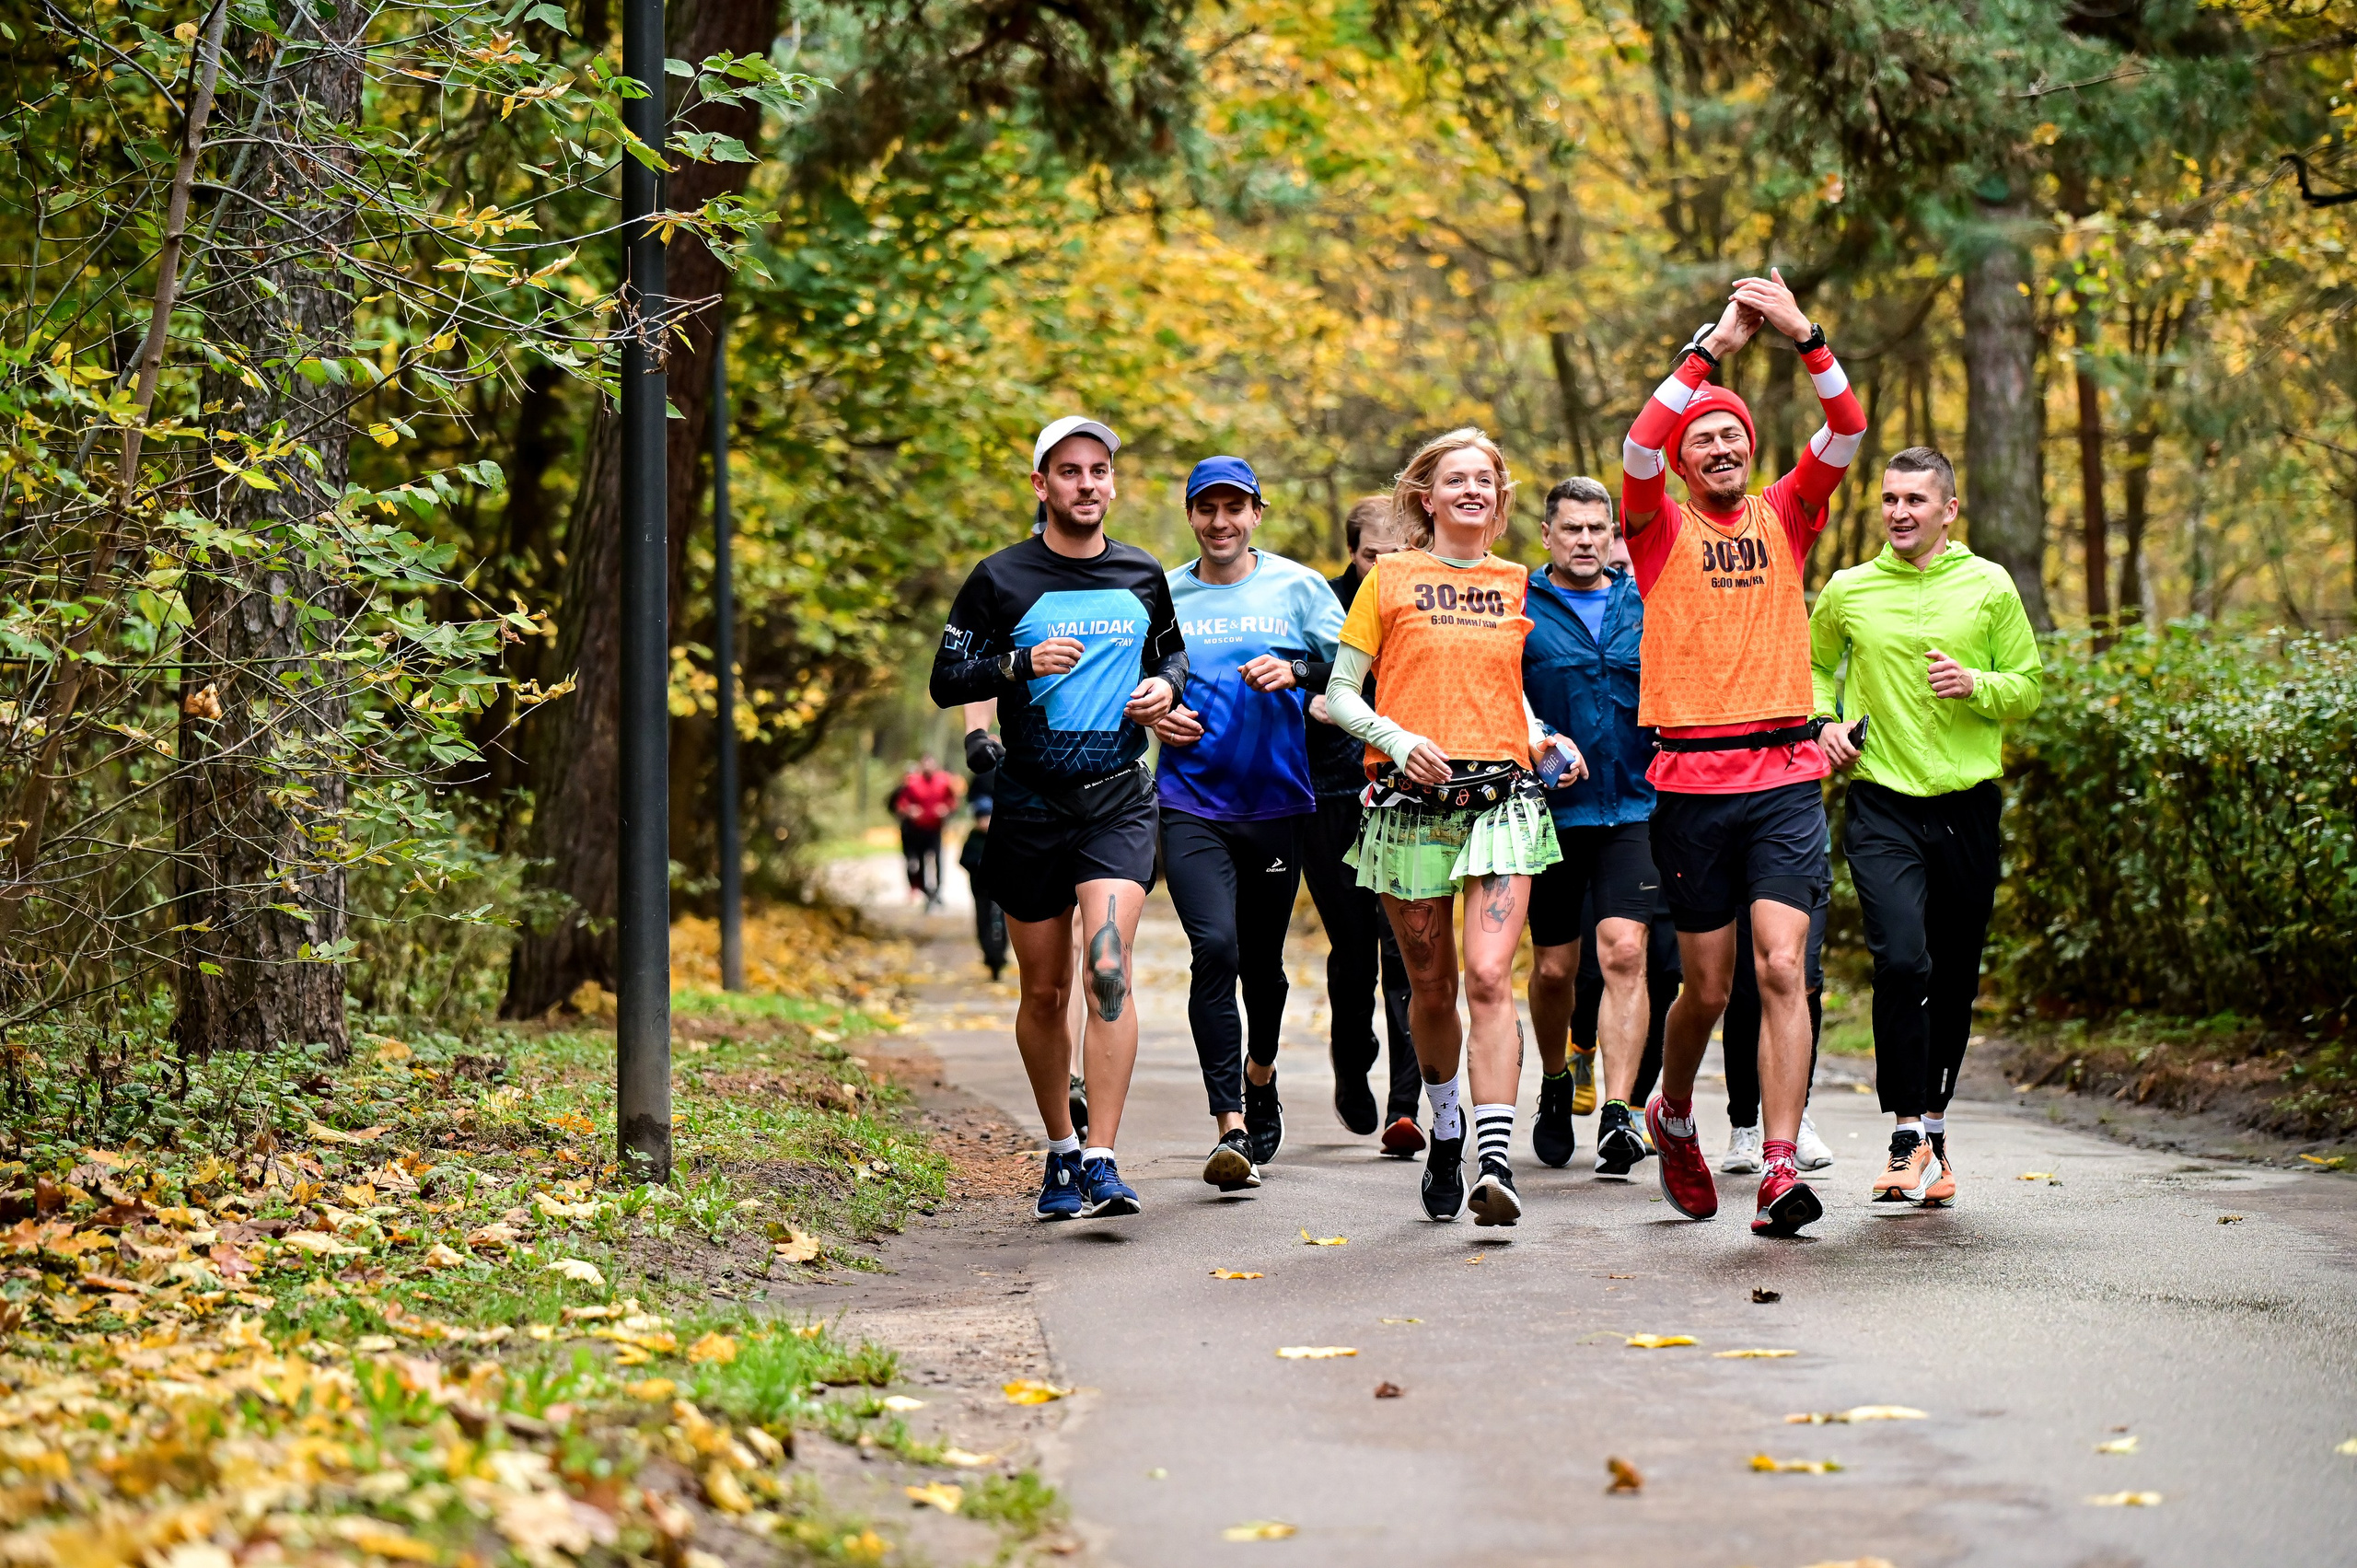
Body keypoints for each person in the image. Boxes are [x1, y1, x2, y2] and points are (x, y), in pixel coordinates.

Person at [1620, 268, 1866, 1237]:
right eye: (1703, 438)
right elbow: (1637, 445)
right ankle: (1670, 1109)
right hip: (1690, 780)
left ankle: (1775, 1162)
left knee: (1779, 967)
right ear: (1686, 462)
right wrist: (1710, 349)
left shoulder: (1789, 512)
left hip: (1783, 778)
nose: (1718, 445)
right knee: (1705, 985)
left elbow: (1844, 429)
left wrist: (1805, 333)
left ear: (1750, 451)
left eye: (1732, 435)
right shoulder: (1656, 526)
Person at [1326, 428, 1585, 1225]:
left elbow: (1509, 693)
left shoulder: (1519, 585)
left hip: (1502, 800)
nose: (1472, 490)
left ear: (1500, 500)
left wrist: (1544, 737)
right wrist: (1397, 741)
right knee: (1432, 987)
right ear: (1426, 498)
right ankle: (1446, 1128)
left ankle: (1495, 1160)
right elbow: (1341, 693)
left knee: (1486, 978)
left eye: (1485, 480)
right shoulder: (1393, 578)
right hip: (1410, 805)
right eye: (1455, 479)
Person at [931, 415, 1186, 1222]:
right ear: (1042, 486)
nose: (1087, 484)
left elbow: (1171, 655)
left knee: (1107, 968)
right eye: (1069, 471)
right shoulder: (1000, 577)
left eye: (1099, 470)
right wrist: (1017, 662)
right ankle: (1062, 1152)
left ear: (1113, 483)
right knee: (1044, 992)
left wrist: (1167, 690)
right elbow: (947, 675)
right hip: (1030, 807)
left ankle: (1105, 1157)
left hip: (1116, 796)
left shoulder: (1143, 573)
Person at [1810, 445, 2042, 1207]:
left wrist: (1975, 683)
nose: (1900, 512)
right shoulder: (1849, 588)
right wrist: (1825, 724)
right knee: (1901, 961)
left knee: (1954, 974)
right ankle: (1904, 1131)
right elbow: (1813, 669)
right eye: (1890, 499)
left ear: (1948, 509)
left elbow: (2028, 687)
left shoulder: (1989, 585)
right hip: (1882, 803)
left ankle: (1934, 1132)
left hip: (1968, 806)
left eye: (1916, 500)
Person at [1151, 457, 1344, 1191]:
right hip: (1192, 801)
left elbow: (1358, 669)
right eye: (1207, 509)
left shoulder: (1299, 587)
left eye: (1235, 508)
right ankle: (1229, 1122)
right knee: (1215, 947)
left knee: (1263, 966)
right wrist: (1156, 711)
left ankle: (1260, 1075)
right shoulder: (1163, 592)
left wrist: (1296, 671)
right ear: (1191, 514)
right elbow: (1133, 683)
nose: (1221, 522)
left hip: (1277, 802)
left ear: (1257, 512)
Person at [1521, 477, 1660, 1175]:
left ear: (1612, 535)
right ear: (1546, 533)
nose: (1584, 540)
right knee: (1553, 968)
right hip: (1548, 813)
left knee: (1624, 952)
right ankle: (1553, 1080)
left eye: (1596, 529)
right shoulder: (1520, 605)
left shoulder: (1644, 602)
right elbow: (1499, 695)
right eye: (1571, 528)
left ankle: (1618, 1109)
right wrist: (1541, 737)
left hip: (1633, 807)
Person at [1301, 497, 1422, 1156]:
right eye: (1375, 554)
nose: (1388, 566)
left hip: (1404, 792)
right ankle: (1354, 1058)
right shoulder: (1319, 602)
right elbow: (1286, 675)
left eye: (1400, 553)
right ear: (1354, 553)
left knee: (1405, 945)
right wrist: (1308, 697)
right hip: (1333, 792)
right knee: (1354, 950)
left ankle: (1405, 1104)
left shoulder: (1430, 596)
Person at [1717, 892, 1832, 1172]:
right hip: (1738, 865)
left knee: (1803, 979)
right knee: (1744, 991)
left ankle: (1795, 1121)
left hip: (1802, 858)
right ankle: (1743, 1125)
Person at [958, 747, 1006, 981]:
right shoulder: (975, 837)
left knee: (1001, 916)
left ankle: (998, 954)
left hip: (1002, 877)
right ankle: (991, 953)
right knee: (984, 915)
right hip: (981, 878)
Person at [889, 756, 959, 909]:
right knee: (919, 862)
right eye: (925, 765)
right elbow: (901, 803)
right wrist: (910, 811)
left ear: (935, 766)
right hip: (917, 829)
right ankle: (926, 891)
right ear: (921, 766)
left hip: (935, 829)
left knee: (937, 860)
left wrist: (946, 810)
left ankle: (938, 891)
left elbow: (953, 801)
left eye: (931, 764)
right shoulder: (912, 782)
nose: (928, 767)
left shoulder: (944, 781)